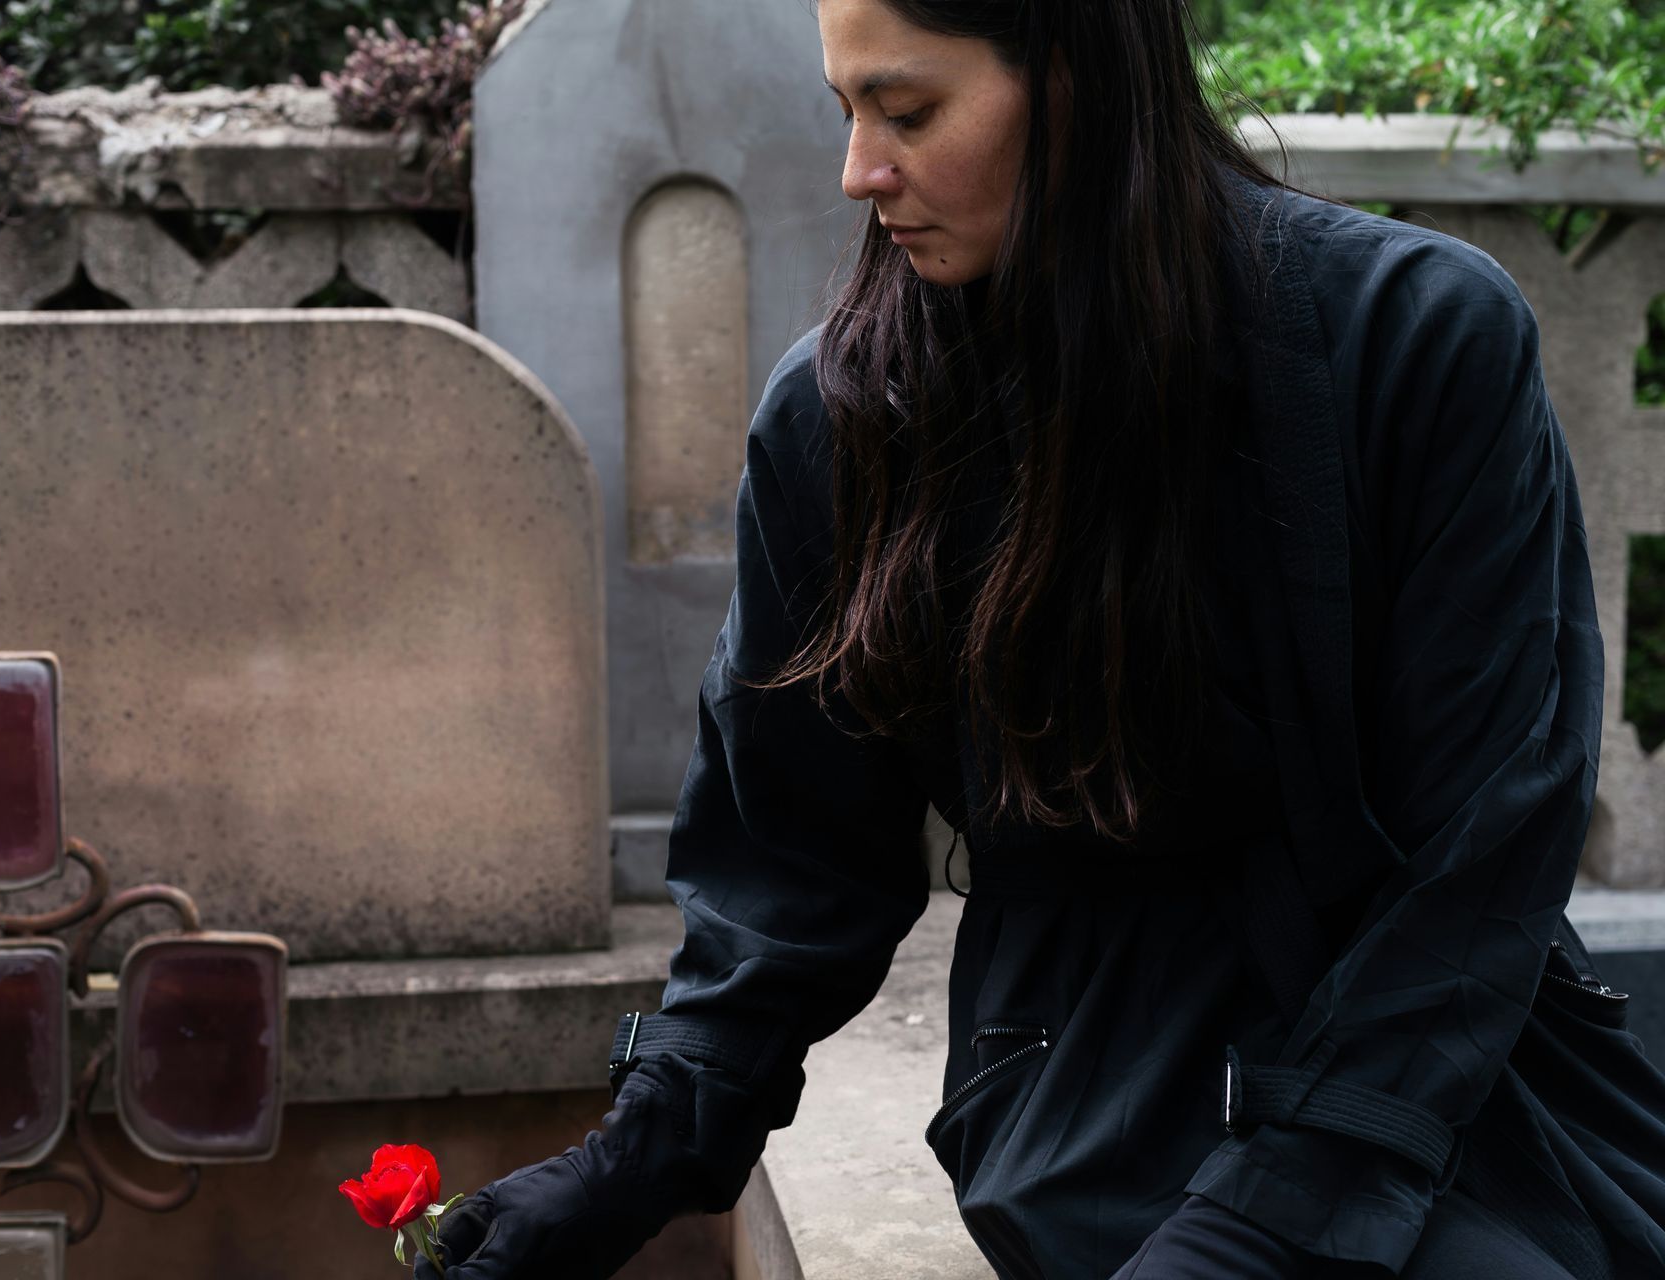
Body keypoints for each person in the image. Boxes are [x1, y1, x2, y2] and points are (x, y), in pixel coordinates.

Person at [420, 1, 1665, 1276]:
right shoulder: (845, 414)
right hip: (1086, 1095)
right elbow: (785, 862)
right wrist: (633, 1158)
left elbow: (1491, 837)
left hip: (1441, 1075)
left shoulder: (1419, 338)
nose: (860, 172)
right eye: (846, 113)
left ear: (1076, 83)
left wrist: (1267, 1216)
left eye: (908, 113)